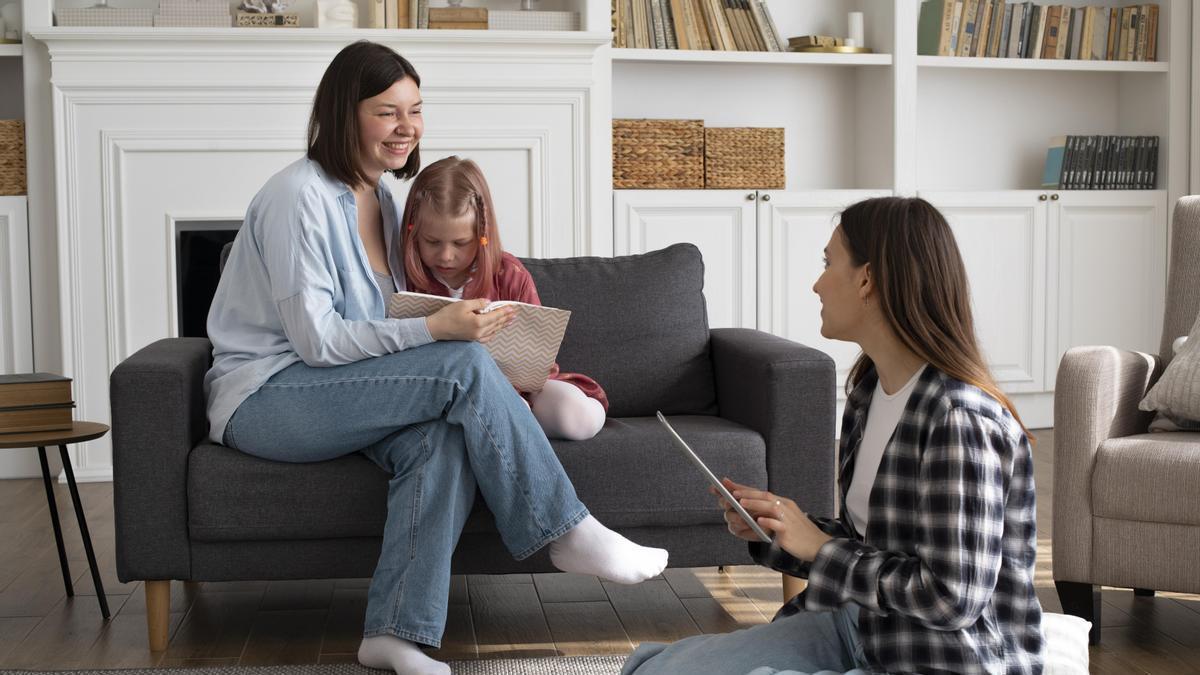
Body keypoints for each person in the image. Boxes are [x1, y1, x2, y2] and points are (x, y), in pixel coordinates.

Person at [203, 40, 667, 675]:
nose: (406, 128)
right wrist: (440, 332)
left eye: (415, 110)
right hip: (269, 396)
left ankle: (394, 633)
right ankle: (567, 532)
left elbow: (392, 317)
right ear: (345, 113)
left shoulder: (392, 202)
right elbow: (316, 341)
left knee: (442, 439)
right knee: (464, 362)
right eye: (387, 111)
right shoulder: (297, 197)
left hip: (344, 391)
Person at [621, 196, 1044, 675]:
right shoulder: (868, 393)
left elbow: (953, 598)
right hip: (859, 626)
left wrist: (818, 547)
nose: (817, 283)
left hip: (939, 659)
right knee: (653, 669)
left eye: (828, 263)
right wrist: (782, 530)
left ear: (868, 279)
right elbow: (870, 547)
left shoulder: (958, 420)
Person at [398, 155, 608, 440]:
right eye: (432, 242)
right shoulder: (404, 278)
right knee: (505, 411)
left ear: (482, 235)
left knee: (576, 416)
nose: (446, 255)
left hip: (524, 386)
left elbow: (539, 354)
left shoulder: (508, 273)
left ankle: (544, 417)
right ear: (413, 233)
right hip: (447, 393)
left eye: (461, 243)